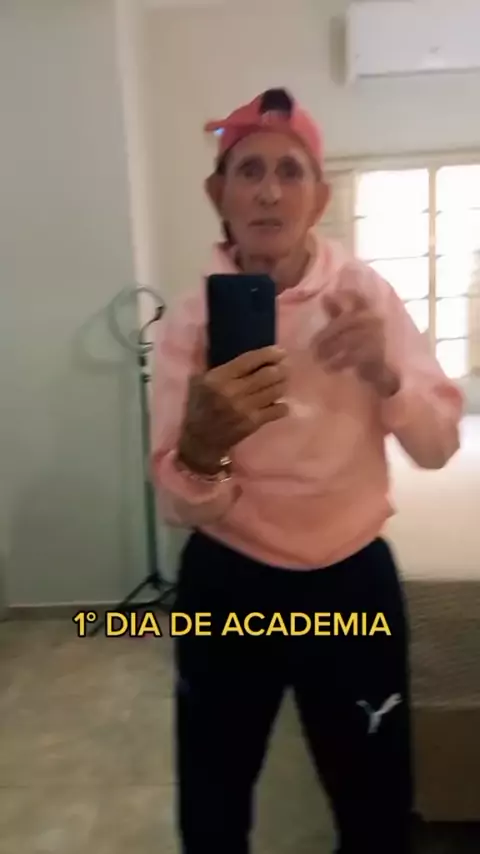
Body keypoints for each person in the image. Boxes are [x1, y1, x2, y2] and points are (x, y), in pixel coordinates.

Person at [150, 88, 463, 854]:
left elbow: (437, 447)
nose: (268, 192)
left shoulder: (366, 297)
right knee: (213, 809)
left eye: (290, 172)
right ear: (218, 194)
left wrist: (387, 375)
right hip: (229, 582)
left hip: (350, 580)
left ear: (319, 197)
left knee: (376, 811)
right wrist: (202, 449)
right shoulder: (190, 320)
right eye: (248, 171)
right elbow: (177, 501)